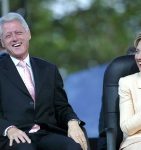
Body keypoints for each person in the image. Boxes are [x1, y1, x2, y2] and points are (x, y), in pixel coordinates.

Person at [0, 12, 88, 150]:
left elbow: (62, 106)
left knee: (73, 147)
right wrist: (8, 129)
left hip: (46, 134)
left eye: (18, 33)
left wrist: (72, 122)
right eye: (8, 35)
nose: (14, 38)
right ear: (2, 42)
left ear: (28, 34)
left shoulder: (48, 69)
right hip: (13, 136)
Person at [119, 28, 141, 150]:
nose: (139, 57)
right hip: (137, 141)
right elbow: (127, 128)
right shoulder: (126, 83)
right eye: (137, 51)